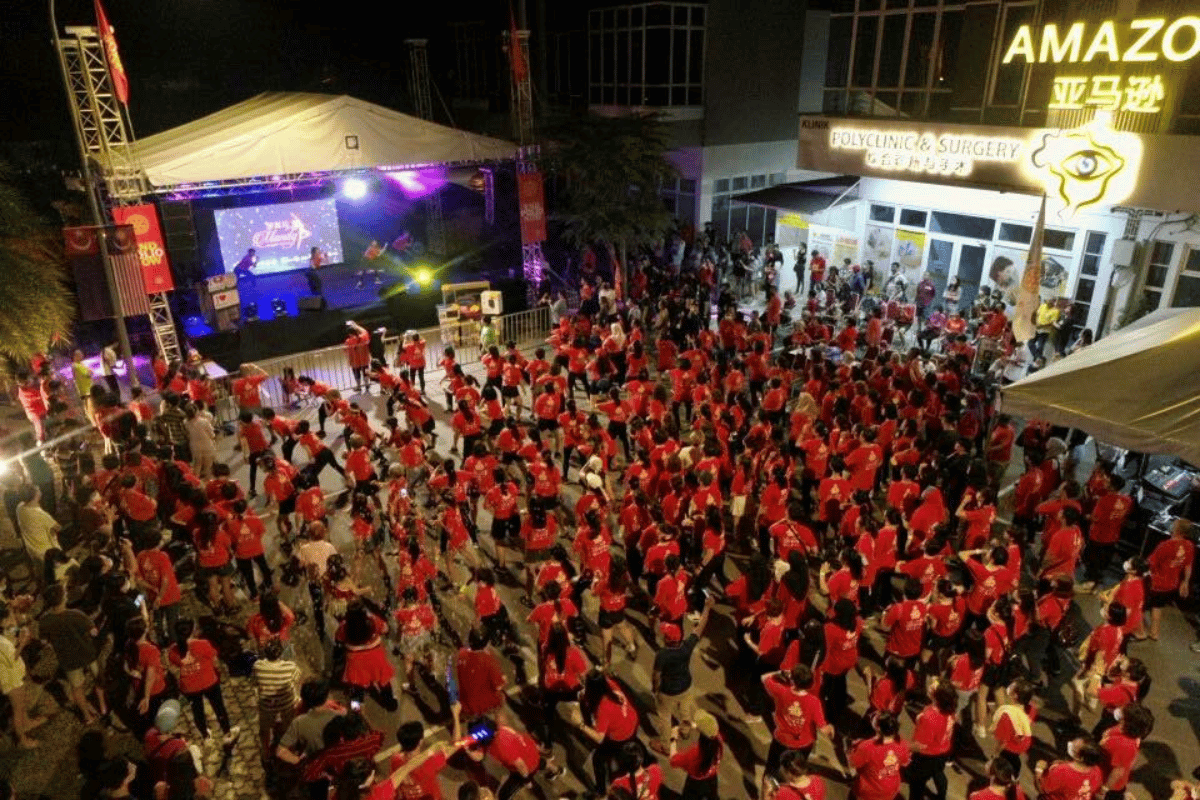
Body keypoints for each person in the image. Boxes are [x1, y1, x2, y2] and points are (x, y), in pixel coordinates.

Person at [651, 592, 716, 753]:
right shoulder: (686, 646)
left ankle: (666, 745)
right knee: (685, 709)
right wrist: (707, 608)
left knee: (665, 716)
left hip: (668, 691)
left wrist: (655, 688)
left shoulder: (662, 655)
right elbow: (700, 628)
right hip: (686, 685)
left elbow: (656, 676)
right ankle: (685, 730)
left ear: (667, 639)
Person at [38, 583, 105, 724]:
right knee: (98, 678)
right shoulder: (76, 614)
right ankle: (102, 706)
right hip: (87, 653)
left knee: (77, 688)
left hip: (68, 659)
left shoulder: (45, 621)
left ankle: (87, 716)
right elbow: (94, 632)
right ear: (63, 598)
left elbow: (44, 642)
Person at [168, 618, 240, 746]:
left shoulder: (173, 650)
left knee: (197, 711)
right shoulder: (203, 644)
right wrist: (219, 673)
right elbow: (215, 662)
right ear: (192, 631)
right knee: (219, 707)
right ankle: (227, 734)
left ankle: (206, 736)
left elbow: (175, 663)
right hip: (209, 681)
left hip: (190, 687)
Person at [0, 600, 52, 748]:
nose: (10, 620)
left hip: (12, 675)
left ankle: (27, 722)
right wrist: (22, 642)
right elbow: (12, 658)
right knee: (18, 709)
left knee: (21, 702)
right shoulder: (1, 642)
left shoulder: (3, 636)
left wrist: (17, 637)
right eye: (7, 618)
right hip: (10, 680)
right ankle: (23, 739)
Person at [1145, 518, 1194, 640]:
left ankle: (1139, 631)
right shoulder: (1189, 546)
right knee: (1157, 606)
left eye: (1174, 524)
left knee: (1143, 605)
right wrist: (1185, 582)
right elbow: (1188, 565)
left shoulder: (1165, 545)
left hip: (1156, 582)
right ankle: (1154, 632)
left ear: (1177, 529)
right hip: (1172, 584)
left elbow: (1151, 563)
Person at [849, 712, 910, 800]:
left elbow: (853, 763)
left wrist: (854, 748)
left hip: (869, 790)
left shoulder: (867, 746)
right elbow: (904, 762)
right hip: (890, 790)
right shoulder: (903, 744)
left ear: (878, 728)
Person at [16, 484, 59, 583]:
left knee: (40, 569)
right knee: (53, 574)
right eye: (38, 490)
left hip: (32, 548)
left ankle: (42, 580)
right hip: (46, 550)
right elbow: (57, 527)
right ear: (36, 495)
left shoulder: (19, 507)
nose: (40, 491)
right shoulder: (40, 514)